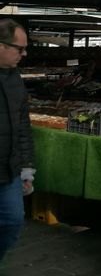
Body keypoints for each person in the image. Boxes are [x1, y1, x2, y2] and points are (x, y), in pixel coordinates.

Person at [0, 19, 35, 261]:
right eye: (19, 48)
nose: (24, 54)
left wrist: (27, 168)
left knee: (12, 221)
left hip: (9, 171)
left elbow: (23, 126)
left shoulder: (15, 78)